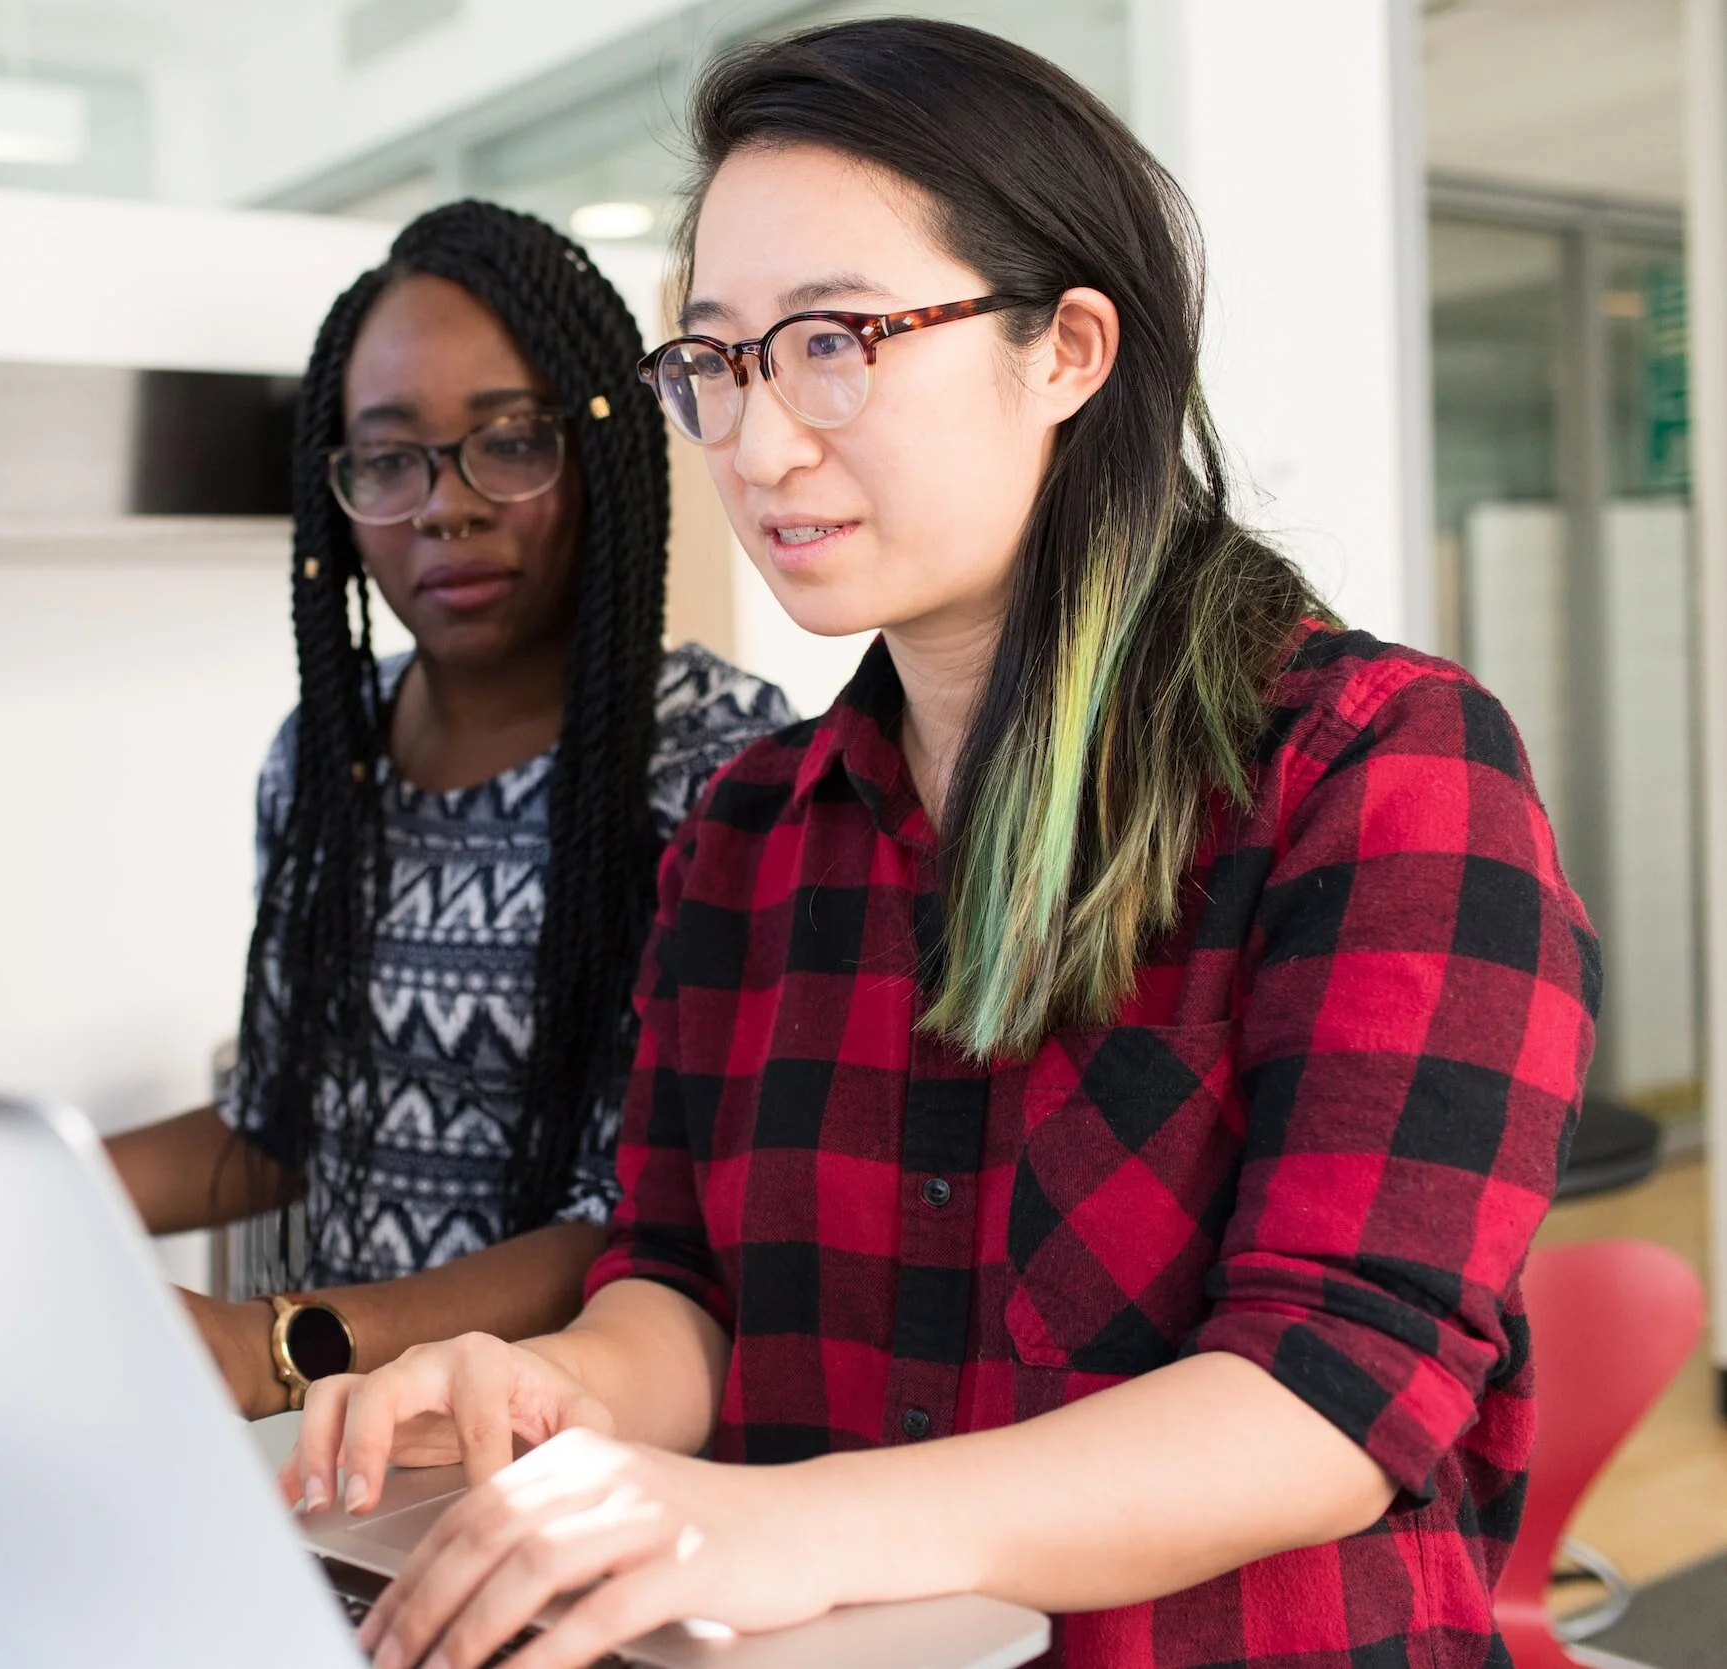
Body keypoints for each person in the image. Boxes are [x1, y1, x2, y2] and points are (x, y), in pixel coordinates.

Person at [280, 22, 1597, 1669]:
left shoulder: (1377, 768)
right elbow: (681, 1281)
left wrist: (800, 1522)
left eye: (835, 340)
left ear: (1069, 351)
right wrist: (566, 1382)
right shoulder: (749, 833)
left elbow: (1337, 1386)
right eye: (718, 362)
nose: (758, 445)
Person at [106, 202, 794, 1422]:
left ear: (601, 453)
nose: (446, 505)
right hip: (349, 1448)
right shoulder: (327, 758)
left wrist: (278, 1346)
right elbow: (278, 1119)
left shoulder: (716, 767)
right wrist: (6, 1196)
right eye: (389, 458)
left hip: (573, 1451)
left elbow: (642, 1222)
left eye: (510, 442)